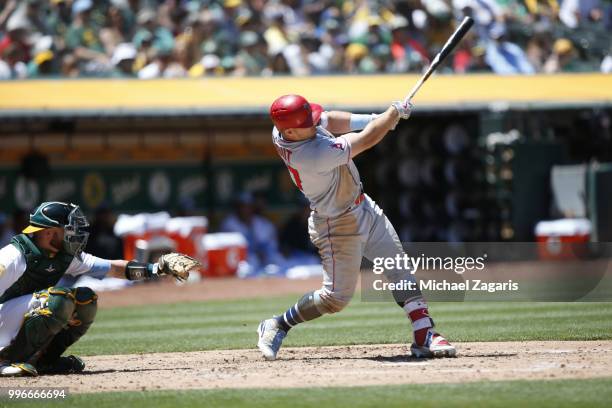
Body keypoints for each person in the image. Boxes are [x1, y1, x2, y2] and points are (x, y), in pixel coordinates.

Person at [257, 95, 456, 360]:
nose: (315, 124)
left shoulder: (284, 128)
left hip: (363, 207)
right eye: (307, 123)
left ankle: (425, 334)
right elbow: (366, 140)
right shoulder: (311, 155)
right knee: (334, 299)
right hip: (336, 225)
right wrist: (390, 116)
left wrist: (379, 118)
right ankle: (278, 324)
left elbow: (331, 118)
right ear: (290, 131)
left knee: (399, 268)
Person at [0, 201, 200, 377]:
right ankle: (6, 361)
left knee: (85, 300)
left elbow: (113, 268)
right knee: (58, 300)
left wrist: (157, 268)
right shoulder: (14, 256)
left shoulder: (61, 255)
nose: (75, 234)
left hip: (12, 318)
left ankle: (45, 362)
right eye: (68, 229)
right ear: (49, 232)